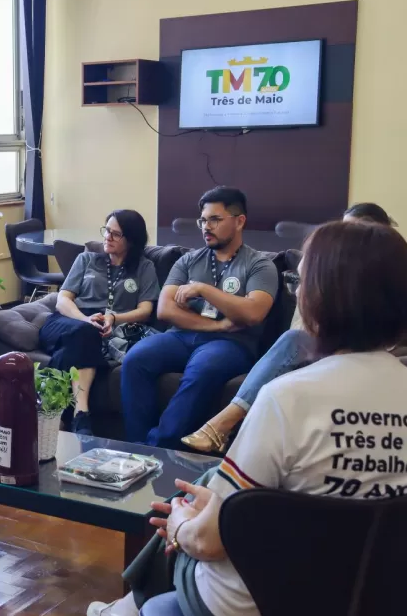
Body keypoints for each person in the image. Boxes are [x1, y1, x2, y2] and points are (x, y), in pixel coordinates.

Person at [86, 220, 407, 616]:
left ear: (324, 297)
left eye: (301, 281)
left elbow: (208, 542)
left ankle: (130, 608)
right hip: (375, 615)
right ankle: (131, 605)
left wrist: (179, 524)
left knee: (189, 511)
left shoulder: (287, 397)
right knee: (215, 484)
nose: (297, 293)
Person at [182, 202, 396, 452]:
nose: (345, 241)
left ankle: (224, 425)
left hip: (372, 355)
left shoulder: (392, 276)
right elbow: (302, 325)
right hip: (321, 349)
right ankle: (227, 434)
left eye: (356, 232)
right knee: (294, 342)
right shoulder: (325, 272)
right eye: (343, 231)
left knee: (292, 344)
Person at [121, 187, 278, 448]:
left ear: (239, 221)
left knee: (204, 368)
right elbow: (165, 309)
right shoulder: (188, 261)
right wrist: (218, 325)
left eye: (215, 220)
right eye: (203, 220)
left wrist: (204, 289)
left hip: (233, 344)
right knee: (135, 358)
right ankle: (135, 448)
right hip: (181, 336)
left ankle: (159, 446)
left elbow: (253, 312)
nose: (206, 227)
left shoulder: (259, 265)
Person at [38, 210, 159, 431]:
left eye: (116, 234)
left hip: (104, 325)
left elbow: (145, 310)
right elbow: (62, 300)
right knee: (86, 332)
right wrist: (84, 319)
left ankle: (66, 416)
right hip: (68, 319)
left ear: (132, 240)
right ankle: (80, 411)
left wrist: (114, 318)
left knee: (78, 344)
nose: (107, 237)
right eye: (106, 230)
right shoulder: (86, 259)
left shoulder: (144, 267)